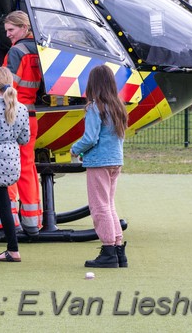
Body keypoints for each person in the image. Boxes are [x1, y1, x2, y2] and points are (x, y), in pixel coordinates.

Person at [70, 65, 128, 268]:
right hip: (115, 160)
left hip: (99, 162)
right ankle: (118, 249)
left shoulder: (96, 107)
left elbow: (90, 138)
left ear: (92, 84)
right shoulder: (118, 106)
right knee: (109, 204)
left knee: (99, 206)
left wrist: (75, 149)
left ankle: (108, 250)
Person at [2, 10, 43, 236]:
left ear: (24, 27)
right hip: (31, 114)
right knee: (28, 166)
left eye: (11, 30)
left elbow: (7, 85)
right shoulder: (38, 50)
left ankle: (7, 222)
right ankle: (32, 221)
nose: (8, 34)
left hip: (13, 114)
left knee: (7, 165)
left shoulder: (16, 52)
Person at [0, 67, 30, 263]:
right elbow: (25, 138)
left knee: (3, 204)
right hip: (12, 158)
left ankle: (12, 248)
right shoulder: (21, 108)